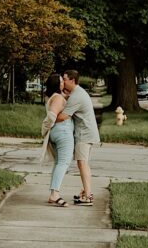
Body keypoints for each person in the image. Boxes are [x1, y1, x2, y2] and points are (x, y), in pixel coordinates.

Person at [63, 69, 101, 206]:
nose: (63, 82)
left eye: (65, 79)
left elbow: (63, 116)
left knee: (82, 164)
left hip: (84, 134)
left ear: (72, 80)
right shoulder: (77, 93)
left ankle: (88, 196)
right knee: (83, 164)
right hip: (87, 133)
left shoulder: (76, 96)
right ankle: (86, 192)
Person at [41, 72, 74, 206]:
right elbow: (51, 116)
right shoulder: (58, 98)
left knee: (59, 163)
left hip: (58, 133)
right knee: (63, 163)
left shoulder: (54, 97)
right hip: (63, 133)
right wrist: (44, 129)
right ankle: (55, 194)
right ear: (56, 84)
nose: (63, 83)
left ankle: (53, 194)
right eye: (61, 81)